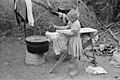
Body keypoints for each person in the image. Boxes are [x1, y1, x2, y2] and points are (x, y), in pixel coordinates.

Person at [52, 8, 83, 76]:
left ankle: (76, 70)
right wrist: (57, 27)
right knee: (73, 55)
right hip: (72, 40)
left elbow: (72, 34)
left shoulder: (76, 24)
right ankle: (75, 68)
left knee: (75, 56)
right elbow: (66, 27)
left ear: (73, 18)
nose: (68, 19)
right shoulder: (71, 22)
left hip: (75, 40)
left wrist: (63, 33)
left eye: (69, 18)